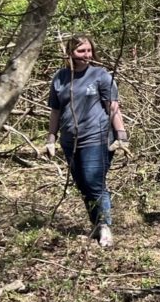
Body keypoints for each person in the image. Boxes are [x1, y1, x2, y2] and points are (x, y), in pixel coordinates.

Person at [45, 35, 128, 247]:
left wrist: (121, 136)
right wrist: (51, 139)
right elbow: (55, 111)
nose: (87, 55)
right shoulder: (60, 78)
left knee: (94, 183)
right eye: (81, 51)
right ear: (70, 53)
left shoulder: (100, 76)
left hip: (97, 137)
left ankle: (105, 227)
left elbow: (113, 107)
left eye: (89, 51)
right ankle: (95, 226)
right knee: (82, 185)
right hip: (70, 140)